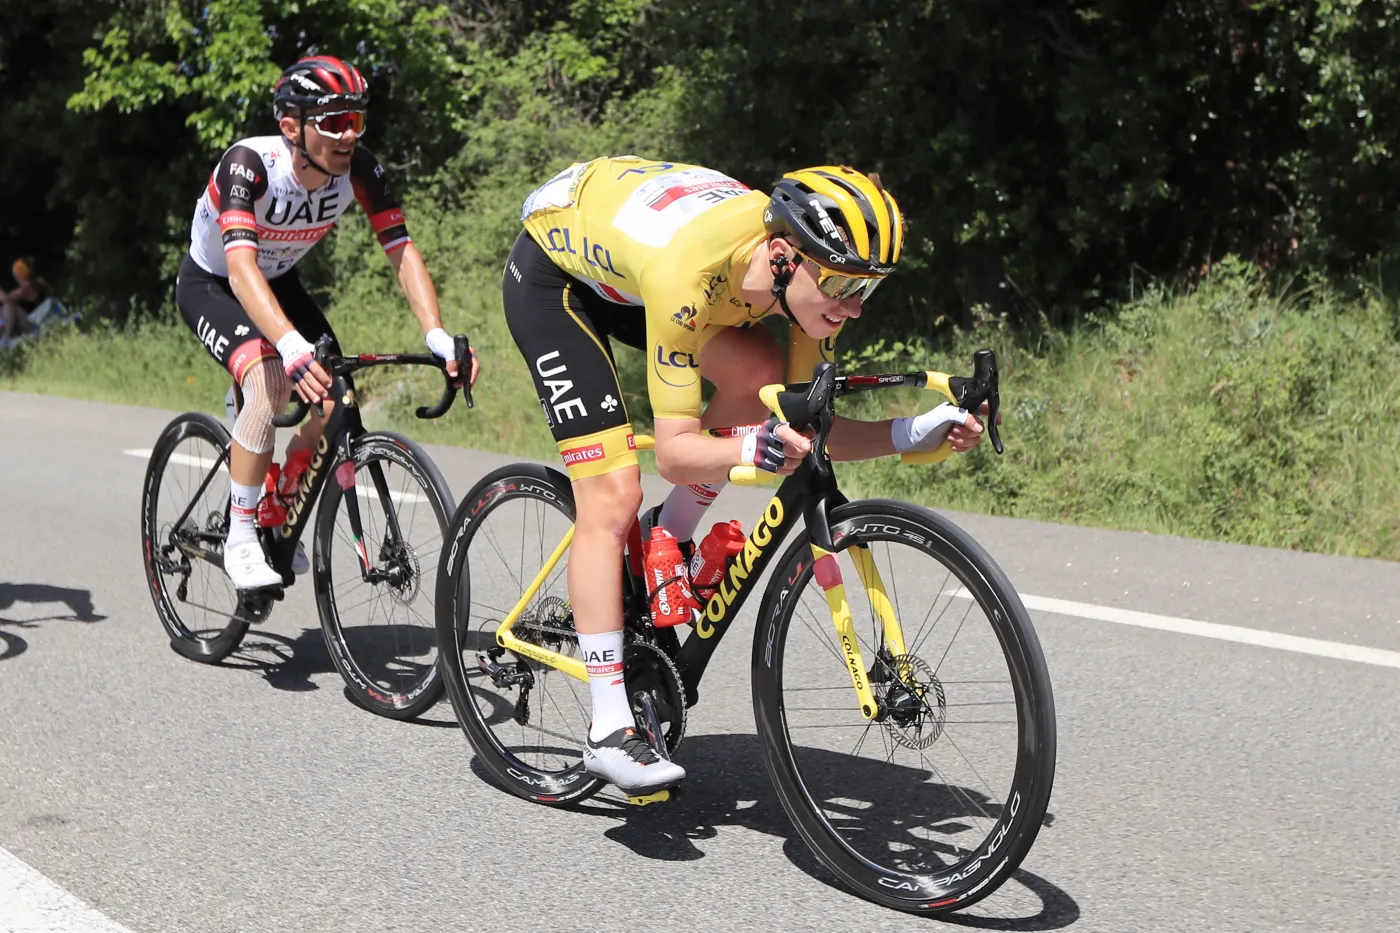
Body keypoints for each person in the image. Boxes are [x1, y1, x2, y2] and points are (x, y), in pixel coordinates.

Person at [503, 158, 990, 793]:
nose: (854, 309)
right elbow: (675, 454)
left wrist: (908, 432)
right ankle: (608, 727)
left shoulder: (793, 280)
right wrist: (752, 446)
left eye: (866, 290)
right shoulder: (691, 270)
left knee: (760, 367)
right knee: (614, 494)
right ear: (785, 256)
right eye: (843, 287)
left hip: (635, 274)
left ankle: (666, 535)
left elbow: (807, 426)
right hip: (557, 280)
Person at [176, 55, 479, 590]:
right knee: (268, 382)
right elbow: (242, 269)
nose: (347, 136)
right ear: (292, 125)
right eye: (333, 122)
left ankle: (282, 493)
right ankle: (241, 536)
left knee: (337, 394)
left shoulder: (359, 168)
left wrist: (435, 333)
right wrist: (289, 346)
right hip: (215, 284)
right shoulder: (249, 165)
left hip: (279, 282)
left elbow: (401, 249)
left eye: (355, 121)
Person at [1, 257, 50, 346]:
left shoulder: (25, 290)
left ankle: (6, 337)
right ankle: (5, 335)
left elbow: (7, 300)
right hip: (31, 320)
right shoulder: (38, 282)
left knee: (9, 306)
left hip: (31, 323)